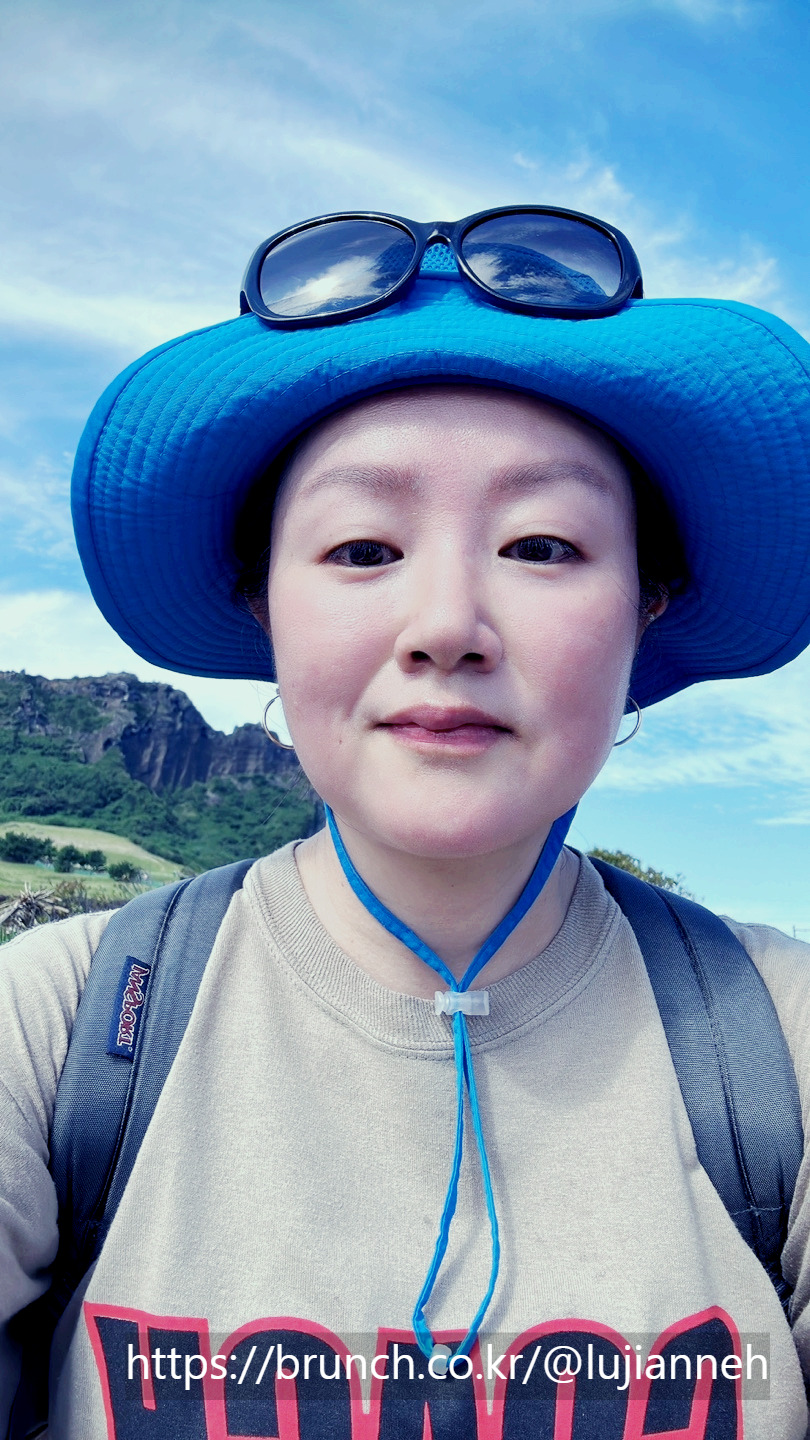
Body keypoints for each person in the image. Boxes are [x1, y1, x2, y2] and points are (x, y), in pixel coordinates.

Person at [2, 206, 810, 1440]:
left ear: (648, 606)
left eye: (543, 544)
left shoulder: (782, 1043)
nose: (446, 626)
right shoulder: (61, 1028)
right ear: (263, 604)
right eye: (363, 547)